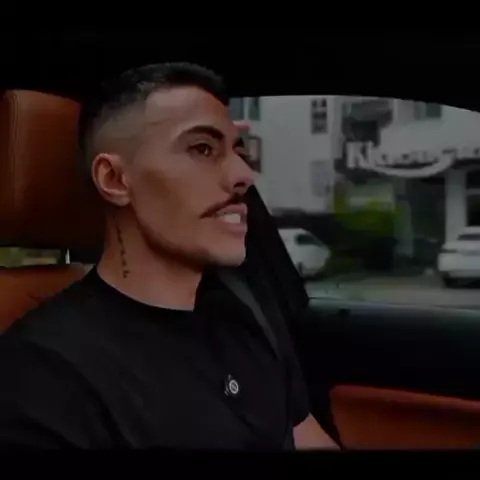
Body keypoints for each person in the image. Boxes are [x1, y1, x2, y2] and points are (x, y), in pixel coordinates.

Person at [0, 63, 337, 450]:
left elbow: (304, 436)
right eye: (202, 148)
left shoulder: (243, 316)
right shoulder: (44, 374)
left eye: (238, 151)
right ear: (114, 179)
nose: (243, 174)